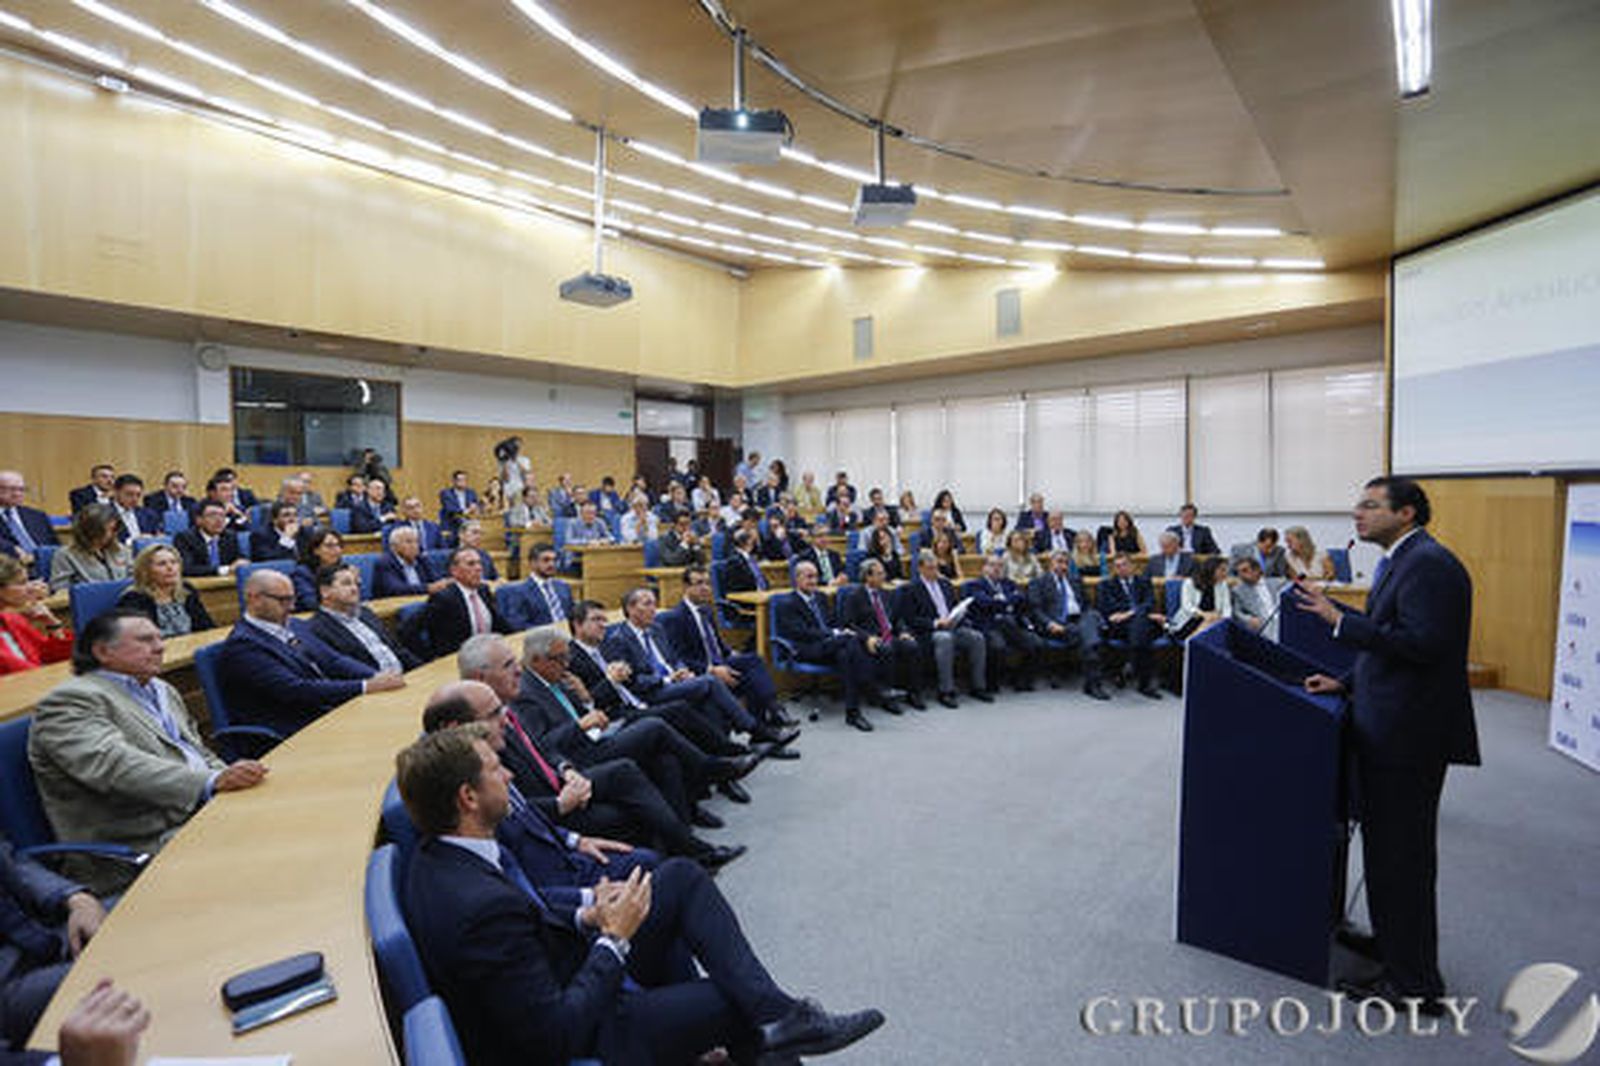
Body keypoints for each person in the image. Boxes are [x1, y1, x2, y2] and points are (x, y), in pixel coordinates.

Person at [399, 727, 884, 1065]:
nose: (508, 776)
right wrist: (614, 939)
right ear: (467, 797)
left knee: (677, 878)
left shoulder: (445, 854)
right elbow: (556, 1034)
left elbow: (531, 914)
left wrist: (587, 916)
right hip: (586, 1025)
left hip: (563, 960)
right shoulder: (478, 907)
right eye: (495, 769)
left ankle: (784, 1017)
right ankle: (775, 1020)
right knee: (731, 999)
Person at [1294, 477, 1479, 1014]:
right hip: (1389, 724)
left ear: (1406, 512)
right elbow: (1391, 644)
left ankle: (1416, 985)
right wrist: (1347, 682)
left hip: (1409, 738)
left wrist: (1339, 622)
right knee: (1388, 852)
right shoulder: (1403, 559)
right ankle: (1395, 946)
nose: (1357, 513)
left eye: (1370, 506)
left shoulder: (1430, 566)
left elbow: (1424, 647)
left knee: (1404, 857)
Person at [29, 610, 267, 893]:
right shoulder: (70, 701)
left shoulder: (161, 689)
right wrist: (210, 782)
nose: (160, 646)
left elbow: (194, 749)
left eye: (160, 637)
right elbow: (113, 766)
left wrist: (224, 777)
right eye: (145, 640)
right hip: (138, 846)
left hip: (197, 813)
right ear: (103, 651)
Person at [459, 636, 738, 860]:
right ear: (481, 678)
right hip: (559, 793)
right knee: (648, 739)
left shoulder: (514, 700)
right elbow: (510, 803)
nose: (518, 668)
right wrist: (560, 800)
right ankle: (708, 780)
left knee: (663, 756)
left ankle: (686, 842)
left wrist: (565, 769)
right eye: (509, 664)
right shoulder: (482, 726)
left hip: (573, 767)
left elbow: (543, 750)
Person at [514, 626, 756, 851]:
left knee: (665, 759)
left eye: (567, 658)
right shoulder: (525, 693)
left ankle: (684, 840)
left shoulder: (560, 678)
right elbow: (543, 745)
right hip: (580, 757)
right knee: (654, 726)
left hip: (600, 735)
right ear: (537, 660)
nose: (567, 665)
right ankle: (709, 767)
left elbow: (585, 711)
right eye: (560, 659)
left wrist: (586, 702)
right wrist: (580, 725)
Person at [217, 570, 405, 739]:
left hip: (326, 711)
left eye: (292, 599)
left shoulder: (296, 624)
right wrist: (365, 686)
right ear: (254, 598)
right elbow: (297, 690)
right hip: (292, 728)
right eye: (282, 600)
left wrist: (375, 676)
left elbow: (334, 660)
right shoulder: (243, 645)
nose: (291, 607)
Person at [601, 588, 794, 749]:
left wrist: (683, 670)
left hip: (677, 681)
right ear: (630, 609)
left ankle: (725, 755)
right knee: (710, 682)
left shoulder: (657, 629)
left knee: (710, 698)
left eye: (654, 603)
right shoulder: (618, 639)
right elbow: (632, 681)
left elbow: (674, 659)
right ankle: (755, 729)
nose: (653, 609)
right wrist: (668, 679)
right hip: (653, 692)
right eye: (647, 604)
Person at [0, 839, 109, 1056]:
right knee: (125, 968)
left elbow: (13, 860)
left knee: (144, 922)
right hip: (8, 984)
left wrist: (75, 898)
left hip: (46, 929)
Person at [659, 566, 796, 732]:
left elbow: (716, 642)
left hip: (721, 661)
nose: (705, 588)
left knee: (752, 661)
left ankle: (772, 711)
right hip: (701, 671)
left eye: (708, 583)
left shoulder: (707, 611)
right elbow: (678, 658)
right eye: (699, 583)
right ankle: (765, 725)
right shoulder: (675, 617)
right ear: (686, 587)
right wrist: (711, 669)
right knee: (752, 677)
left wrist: (731, 653)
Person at [773, 561, 884, 732]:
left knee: (846, 653)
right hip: (807, 649)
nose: (814, 581)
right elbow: (800, 633)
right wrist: (834, 634)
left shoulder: (821, 597)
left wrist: (839, 632)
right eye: (809, 577)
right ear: (797, 579)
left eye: (816, 576)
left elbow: (833, 622)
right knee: (851, 640)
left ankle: (853, 712)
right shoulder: (786, 603)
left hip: (832, 645)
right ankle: (870, 687)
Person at [902, 549, 989, 708]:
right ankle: (946, 690)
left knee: (976, 637)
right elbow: (911, 619)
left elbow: (954, 606)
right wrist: (936, 623)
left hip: (952, 625)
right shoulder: (911, 588)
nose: (935, 571)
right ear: (920, 568)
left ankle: (978, 685)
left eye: (936, 567)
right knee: (945, 639)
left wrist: (958, 614)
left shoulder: (945, 584)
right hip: (930, 631)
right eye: (930, 568)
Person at [836, 559, 923, 712]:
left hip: (890, 635)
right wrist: (867, 637)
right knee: (886, 649)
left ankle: (913, 693)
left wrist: (903, 632)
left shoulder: (887, 593)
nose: (885, 576)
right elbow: (849, 624)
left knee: (912, 646)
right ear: (868, 577)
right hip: (870, 639)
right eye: (880, 574)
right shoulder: (854, 596)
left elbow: (897, 618)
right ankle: (886, 696)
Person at [306, 563, 421, 673]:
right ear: (325, 591)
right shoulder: (317, 629)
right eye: (347, 584)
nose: (354, 589)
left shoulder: (366, 614)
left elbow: (397, 650)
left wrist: (422, 669)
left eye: (356, 584)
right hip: (376, 687)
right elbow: (343, 671)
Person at [1026, 551, 1107, 698]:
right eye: (1059, 562)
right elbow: (1035, 610)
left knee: (1089, 619)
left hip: (1078, 621)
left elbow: (1087, 605)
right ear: (1050, 564)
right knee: (1090, 639)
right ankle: (1093, 684)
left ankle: (1093, 681)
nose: (1063, 566)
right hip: (1056, 624)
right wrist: (1050, 623)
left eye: (1065, 563)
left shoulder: (1075, 580)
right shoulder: (1038, 582)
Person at [964, 553, 1042, 691]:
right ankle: (991, 683)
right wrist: (1008, 600)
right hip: (989, 625)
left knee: (1035, 642)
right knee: (997, 646)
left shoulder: (1009, 583)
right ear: (984, 568)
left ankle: (1020, 680)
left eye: (1000, 566)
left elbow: (1022, 601)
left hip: (1011, 624)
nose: (996, 569)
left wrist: (1001, 601)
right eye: (992, 565)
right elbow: (984, 603)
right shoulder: (974, 585)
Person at [415, 547, 512, 658]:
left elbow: (500, 624)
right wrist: (428, 659)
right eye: (471, 564)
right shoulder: (444, 599)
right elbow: (409, 630)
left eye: (479, 563)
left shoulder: (483, 591)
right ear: (454, 571)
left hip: (487, 654)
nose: (479, 568)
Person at [1096, 553, 1164, 699]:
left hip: (1138, 623)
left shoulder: (1144, 582)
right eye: (1117, 566)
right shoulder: (1106, 585)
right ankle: (1144, 683)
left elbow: (1150, 602)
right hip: (1119, 626)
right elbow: (1107, 607)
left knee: (1140, 627)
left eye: (1124, 564)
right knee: (1141, 630)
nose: (1121, 569)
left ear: (1133, 566)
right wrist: (1140, 613)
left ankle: (1130, 664)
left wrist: (1130, 613)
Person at [117, 544, 213, 637]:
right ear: (146, 571)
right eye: (162, 564)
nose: (170, 568)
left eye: (174, 562)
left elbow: (207, 628)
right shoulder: (134, 599)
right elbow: (137, 640)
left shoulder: (186, 590)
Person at [0, 555, 72, 674]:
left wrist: (52, 623)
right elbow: (22, 671)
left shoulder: (12, 620)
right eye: (21, 583)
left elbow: (54, 656)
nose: (30, 588)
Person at [49, 505, 130, 592]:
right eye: (109, 529)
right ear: (92, 531)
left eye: (114, 529)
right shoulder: (65, 555)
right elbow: (60, 589)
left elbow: (133, 577)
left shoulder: (121, 550)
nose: (113, 534)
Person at [498, 543, 574, 631]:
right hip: (541, 639)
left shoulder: (563, 587)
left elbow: (573, 615)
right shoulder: (519, 592)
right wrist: (549, 632)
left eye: (554, 560)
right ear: (532, 563)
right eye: (546, 560)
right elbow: (518, 625)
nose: (551, 564)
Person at [1167, 555, 1233, 641]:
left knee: (1216, 626)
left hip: (1215, 620)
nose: (1225, 574)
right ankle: (1194, 643)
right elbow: (1187, 606)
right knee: (1210, 626)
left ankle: (1194, 644)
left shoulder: (1223, 585)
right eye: (1222, 570)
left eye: (1226, 570)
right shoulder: (1190, 583)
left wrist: (1223, 618)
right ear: (1211, 569)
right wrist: (1204, 615)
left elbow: (1226, 607)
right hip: (1191, 619)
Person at [371, 526, 448, 599]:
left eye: (416, 542)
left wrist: (445, 583)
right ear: (394, 547)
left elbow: (436, 579)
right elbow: (396, 589)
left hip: (421, 600)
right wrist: (427, 588)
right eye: (409, 542)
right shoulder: (384, 562)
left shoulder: (421, 560)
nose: (414, 546)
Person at [0, 473, 56, 569]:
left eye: (21, 489)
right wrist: (13, 550)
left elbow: (54, 544)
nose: (17, 494)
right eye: (12, 489)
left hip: (46, 565)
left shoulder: (37, 516)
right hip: (11, 569)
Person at [172, 500, 241, 577]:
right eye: (212, 515)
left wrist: (241, 562)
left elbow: (239, 558)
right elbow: (187, 568)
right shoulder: (184, 538)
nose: (219, 520)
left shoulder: (229, 536)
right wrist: (222, 570)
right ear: (199, 520)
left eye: (222, 515)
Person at [292, 528, 344, 612]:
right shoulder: (302, 573)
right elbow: (311, 603)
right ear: (316, 550)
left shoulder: (343, 570)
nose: (336, 550)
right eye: (329, 546)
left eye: (338, 545)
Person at [1230, 556, 1277, 638]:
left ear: (1256, 570)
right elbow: (1237, 612)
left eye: (1244, 570)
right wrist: (1248, 619)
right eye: (1238, 572)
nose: (1241, 575)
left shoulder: (1277, 583)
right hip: (1262, 624)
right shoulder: (1238, 591)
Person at [106, 476, 159, 542]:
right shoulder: (105, 514)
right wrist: (134, 541)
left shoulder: (148, 514)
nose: (135, 499)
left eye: (138, 495)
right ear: (116, 492)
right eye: (129, 494)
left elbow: (156, 535)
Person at [495, 436, 531, 525]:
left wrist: (516, 460)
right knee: (508, 511)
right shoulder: (502, 461)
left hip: (519, 488)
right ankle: (509, 526)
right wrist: (505, 463)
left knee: (518, 509)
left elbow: (526, 473)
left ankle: (519, 524)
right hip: (507, 489)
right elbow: (505, 478)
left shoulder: (524, 459)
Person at [722, 529, 769, 594]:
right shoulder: (734, 561)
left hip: (761, 592)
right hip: (749, 595)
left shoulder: (749, 557)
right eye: (750, 541)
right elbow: (740, 585)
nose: (753, 543)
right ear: (742, 543)